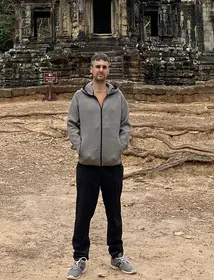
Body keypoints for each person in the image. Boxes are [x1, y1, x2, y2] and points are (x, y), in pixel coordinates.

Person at [66, 53, 137, 278]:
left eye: (104, 66)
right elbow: (72, 124)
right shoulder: (80, 96)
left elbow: (126, 124)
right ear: (90, 69)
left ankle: (117, 255)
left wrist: (120, 146)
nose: (101, 70)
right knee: (83, 212)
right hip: (86, 165)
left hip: (112, 164)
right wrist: (81, 147)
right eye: (97, 66)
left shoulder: (118, 96)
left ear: (108, 70)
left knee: (113, 212)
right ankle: (80, 258)